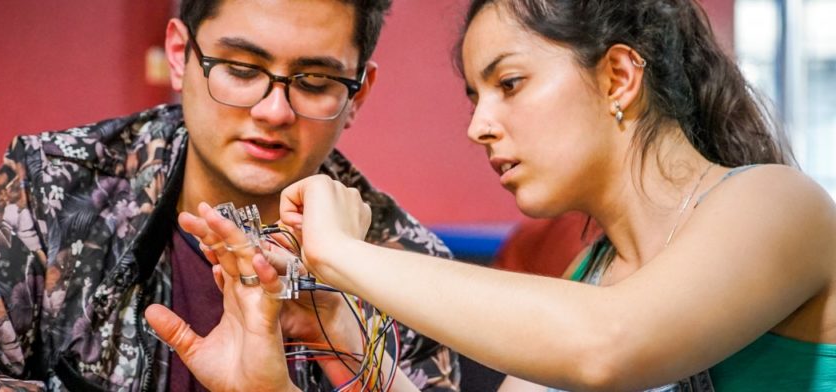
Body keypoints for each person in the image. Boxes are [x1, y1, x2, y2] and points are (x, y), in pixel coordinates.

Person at [153, 0, 836, 390]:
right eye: (474, 96)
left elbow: (610, 344)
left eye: (508, 84)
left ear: (620, 76)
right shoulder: (589, 280)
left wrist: (333, 250)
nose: (478, 125)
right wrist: (339, 343)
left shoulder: (779, 205)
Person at [0, 1, 462, 390]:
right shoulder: (57, 183)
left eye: (316, 81)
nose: (273, 110)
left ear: (357, 93)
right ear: (181, 55)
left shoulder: (405, 264)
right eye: (242, 70)